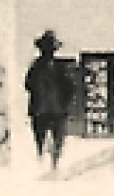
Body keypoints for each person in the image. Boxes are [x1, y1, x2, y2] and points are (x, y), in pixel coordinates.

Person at [24, 30, 76, 170]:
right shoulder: (35, 67)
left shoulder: (60, 67)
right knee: (39, 139)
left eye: (51, 49)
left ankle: (55, 164)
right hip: (40, 110)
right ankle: (40, 162)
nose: (48, 52)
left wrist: (65, 102)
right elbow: (28, 84)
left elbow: (70, 87)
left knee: (58, 139)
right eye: (46, 49)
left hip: (57, 109)